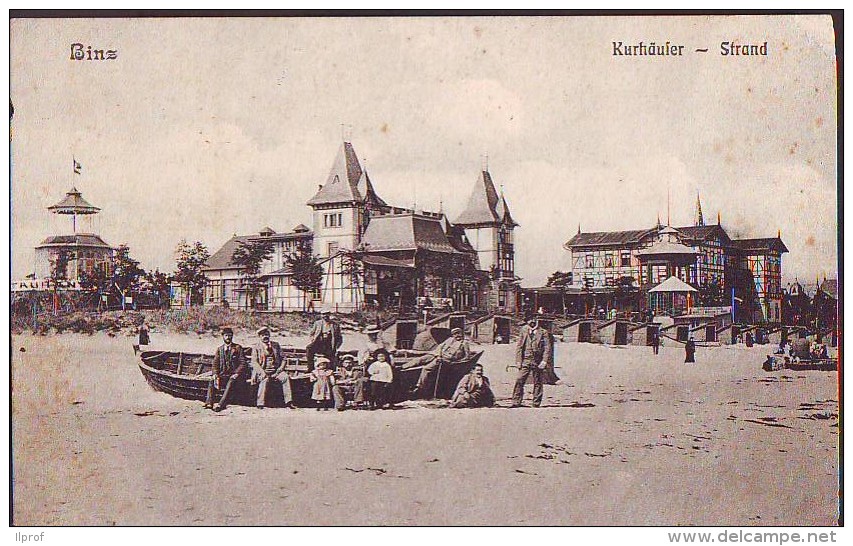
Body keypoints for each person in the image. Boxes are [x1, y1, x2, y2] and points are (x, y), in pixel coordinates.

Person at [411, 327, 471, 397]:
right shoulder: (449, 340)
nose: (457, 335)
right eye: (455, 334)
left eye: (458, 333)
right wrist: (438, 355)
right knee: (419, 360)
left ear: (461, 334)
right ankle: (402, 367)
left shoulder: (464, 343)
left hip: (446, 360)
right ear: (453, 335)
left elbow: (467, 357)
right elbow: (440, 347)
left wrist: (457, 361)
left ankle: (419, 386)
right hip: (438, 355)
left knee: (426, 369)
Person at [206, 327, 248, 412]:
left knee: (231, 381)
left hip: (235, 376)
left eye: (230, 335)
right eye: (226, 335)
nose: (228, 337)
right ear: (223, 337)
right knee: (212, 380)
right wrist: (215, 374)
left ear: (232, 336)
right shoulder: (219, 349)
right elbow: (215, 364)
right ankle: (209, 402)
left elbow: (243, 363)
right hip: (223, 374)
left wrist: (237, 373)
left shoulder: (238, 348)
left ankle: (221, 404)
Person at [511, 317, 550, 408]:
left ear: (536, 321)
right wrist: (518, 361)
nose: (531, 321)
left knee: (538, 382)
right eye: (529, 320)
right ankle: (516, 402)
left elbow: (547, 348)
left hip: (538, 361)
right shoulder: (524, 330)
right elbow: (519, 347)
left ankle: (536, 403)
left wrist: (544, 361)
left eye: (533, 320)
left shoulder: (543, 332)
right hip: (525, 360)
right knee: (519, 379)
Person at [251, 327, 293, 409]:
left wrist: (280, 369)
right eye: (262, 335)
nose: (265, 337)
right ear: (259, 337)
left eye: (266, 334)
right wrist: (262, 372)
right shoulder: (256, 347)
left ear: (269, 335)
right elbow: (254, 362)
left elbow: (284, 358)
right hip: (263, 370)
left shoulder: (275, 345)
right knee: (264, 380)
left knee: (285, 377)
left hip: (276, 370)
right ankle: (260, 403)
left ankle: (288, 402)